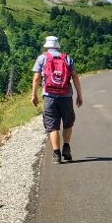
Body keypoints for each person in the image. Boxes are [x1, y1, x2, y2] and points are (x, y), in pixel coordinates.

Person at [32, 35, 83, 163]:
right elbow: (75, 77)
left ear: (47, 46)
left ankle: (56, 154)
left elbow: (37, 78)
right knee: (68, 122)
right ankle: (66, 147)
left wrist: (34, 94)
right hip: (66, 96)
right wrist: (79, 95)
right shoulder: (67, 58)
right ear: (57, 46)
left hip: (49, 96)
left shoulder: (42, 58)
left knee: (52, 126)